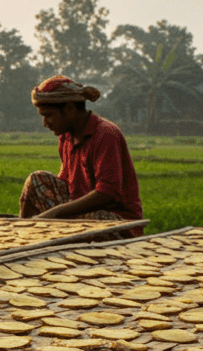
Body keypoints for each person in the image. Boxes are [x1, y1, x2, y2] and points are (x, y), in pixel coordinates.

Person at [19, 75, 142, 236]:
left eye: (48, 115)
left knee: (93, 221)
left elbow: (107, 193)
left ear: (69, 109)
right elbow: (66, 183)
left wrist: (55, 213)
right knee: (36, 180)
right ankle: (23, 232)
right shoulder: (66, 137)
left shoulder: (105, 134)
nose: (45, 123)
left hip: (117, 220)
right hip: (82, 213)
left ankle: (41, 232)